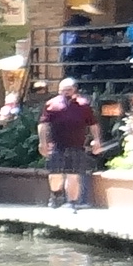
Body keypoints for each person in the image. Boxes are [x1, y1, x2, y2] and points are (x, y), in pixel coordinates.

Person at [39, 79, 96, 209]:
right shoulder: (51, 104)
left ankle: (72, 203)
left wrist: (97, 139)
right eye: (62, 90)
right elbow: (43, 124)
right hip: (56, 145)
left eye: (68, 90)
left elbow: (93, 124)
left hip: (76, 146)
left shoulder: (83, 106)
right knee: (55, 175)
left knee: (73, 176)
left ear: (75, 90)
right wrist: (43, 142)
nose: (65, 93)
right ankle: (56, 195)